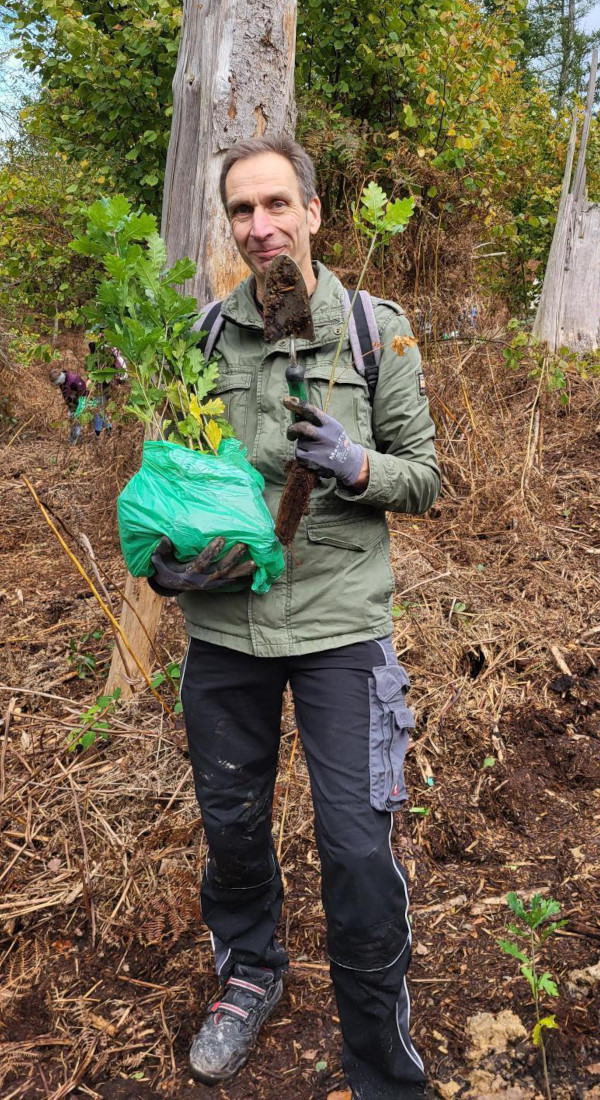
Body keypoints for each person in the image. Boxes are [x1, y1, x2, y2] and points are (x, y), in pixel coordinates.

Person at [149, 135, 440, 1100]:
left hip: (341, 631)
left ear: (315, 211)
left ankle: (380, 1061)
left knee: (358, 850)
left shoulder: (375, 330)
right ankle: (251, 973)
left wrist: (361, 468)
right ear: (229, 225)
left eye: (278, 205)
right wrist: (166, 558)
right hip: (227, 634)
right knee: (232, 825)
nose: (261, 227)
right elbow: (173, 484)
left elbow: (427, 477)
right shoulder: (198, 339)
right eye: (242, 211)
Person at [49, 357, 87, 443]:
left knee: (79, 418)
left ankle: (77, 439)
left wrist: (80, 407)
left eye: (58, 383)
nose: (59, 385)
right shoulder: (62, 381)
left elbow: (83, 392)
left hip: (82, 400)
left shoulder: (74, 379)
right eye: (57, 384)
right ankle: (74, 438)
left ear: (61, 377)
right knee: (71, 418)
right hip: (72, 402)